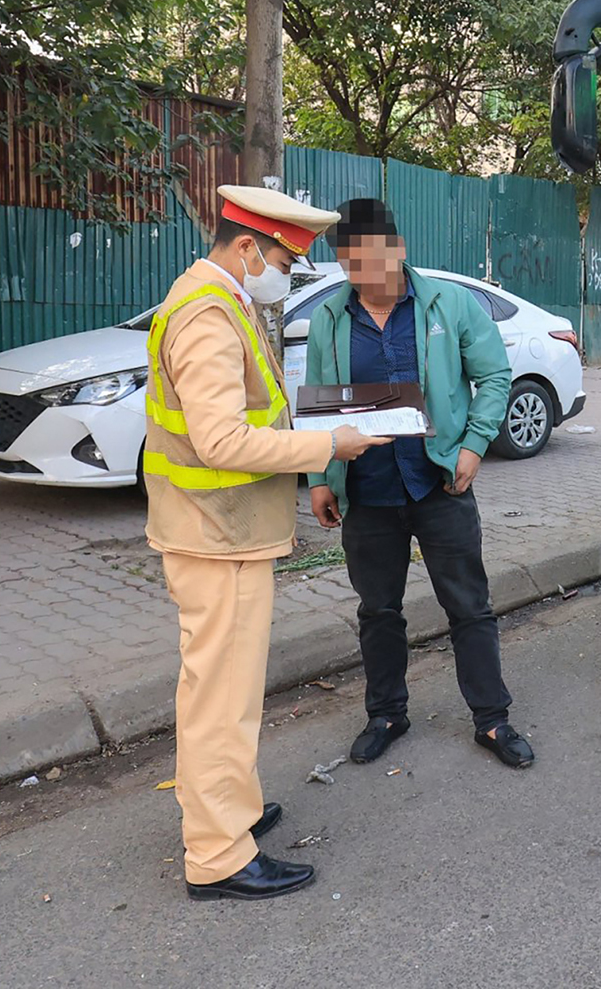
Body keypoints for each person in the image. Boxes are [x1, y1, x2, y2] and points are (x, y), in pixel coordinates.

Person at [146, 185, 389, 902]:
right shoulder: (207, 315)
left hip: (223, 529)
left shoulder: (225, 301)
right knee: (220, 699)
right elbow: (221, 436)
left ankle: (232, 811)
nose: (288, 271)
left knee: (226, 692)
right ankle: (218, 855)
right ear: (247, 247)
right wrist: (329, 443)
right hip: (212, 533)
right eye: (285, 257)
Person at [303, 199, 532, 769]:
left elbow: (494, 376)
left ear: (397, 250)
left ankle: (492, 721)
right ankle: (386, 714)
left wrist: (476, 445)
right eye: (352, 266)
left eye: (374, 262)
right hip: (368, 491)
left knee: (469, 607)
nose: (366, 277)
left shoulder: (448, 304)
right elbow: (319, 409)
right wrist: (320, 479)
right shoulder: (331, 320)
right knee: (377, 612)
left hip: (440, 483)